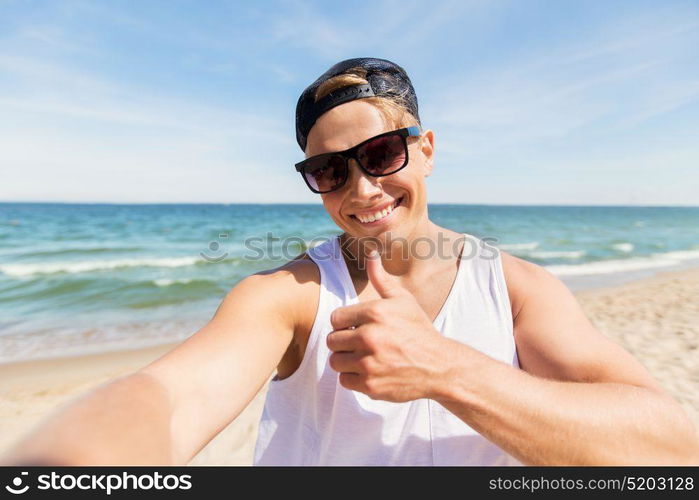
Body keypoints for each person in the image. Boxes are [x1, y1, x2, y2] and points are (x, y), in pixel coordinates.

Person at [2, 58, 697, 466]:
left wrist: (445, 368)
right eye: (329, 171)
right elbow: (169, 396)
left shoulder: (514, 288)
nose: (361, 189)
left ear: (423, 148)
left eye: (380, 155)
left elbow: (668, 445)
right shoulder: (289, 294)